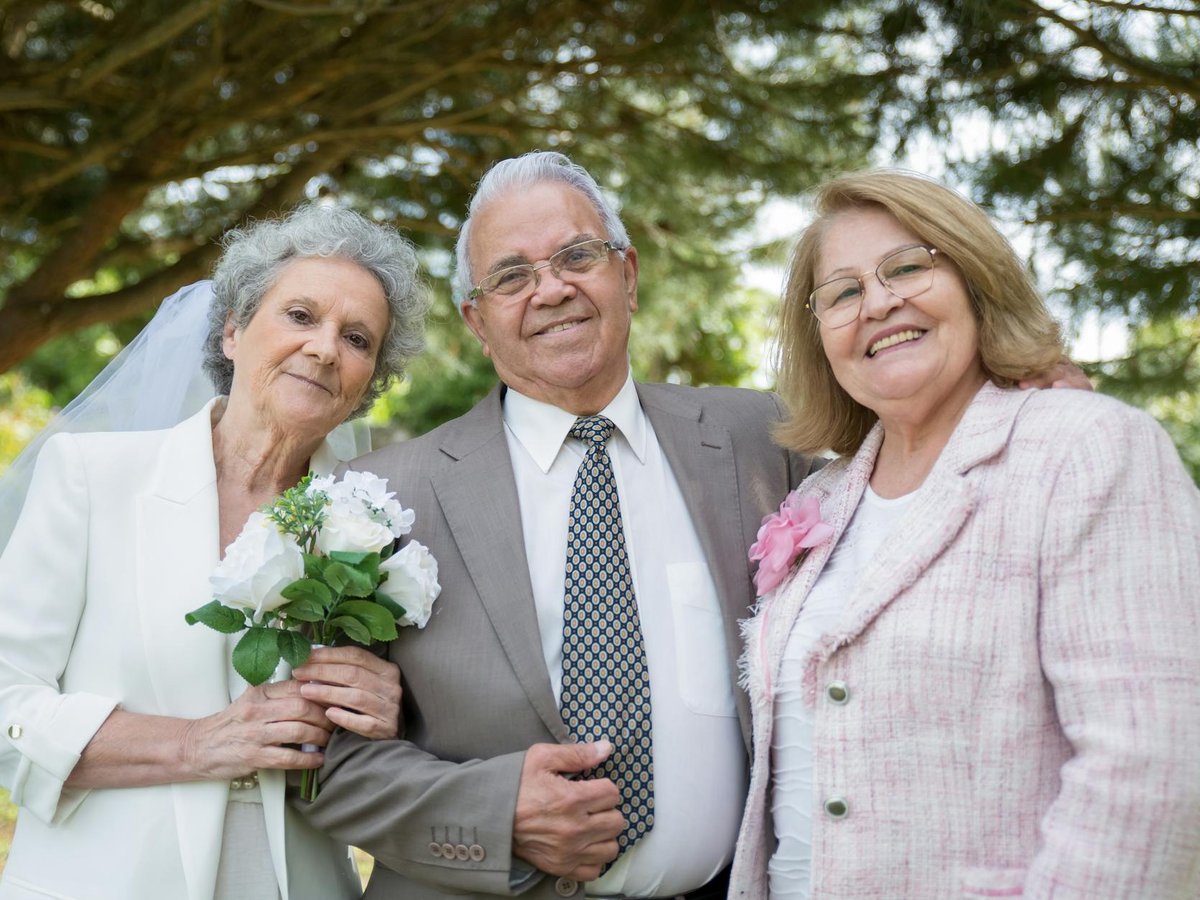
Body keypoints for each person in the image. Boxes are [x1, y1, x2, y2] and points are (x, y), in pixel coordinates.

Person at [295, 150, 823, 899]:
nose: (551, 289)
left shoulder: (762, 441)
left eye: (577, 255)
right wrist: (496, 814)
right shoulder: (378, 498)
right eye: (510, 276)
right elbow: (326, 763)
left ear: (628, 275)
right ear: (479, 321)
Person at [728, 171, 1200, 898]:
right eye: (844, 292)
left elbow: (1154, 768)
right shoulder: (821, 496)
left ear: (976, 280)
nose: (879, 302)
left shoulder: (1089, 449)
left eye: (909, 267)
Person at [0, 204, 431, 900]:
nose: (325, 348)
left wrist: (390, 718)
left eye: (356, 338)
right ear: (232, 330)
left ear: (367, 385)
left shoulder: (380, 533)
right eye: (300, 315)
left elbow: (411, 755)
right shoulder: (90, 478)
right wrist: (196, 743)